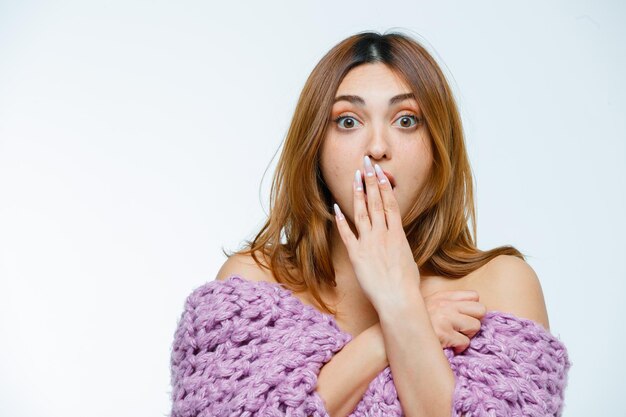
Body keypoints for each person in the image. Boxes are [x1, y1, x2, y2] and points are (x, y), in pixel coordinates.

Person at [169, 30, 571, 417]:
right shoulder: (251, 286)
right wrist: (397, 329)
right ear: (315, 147)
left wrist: (398, 298)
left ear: (438, 146)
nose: (377, 148)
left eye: (406, 120)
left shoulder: (502, 286)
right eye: (348, 121)